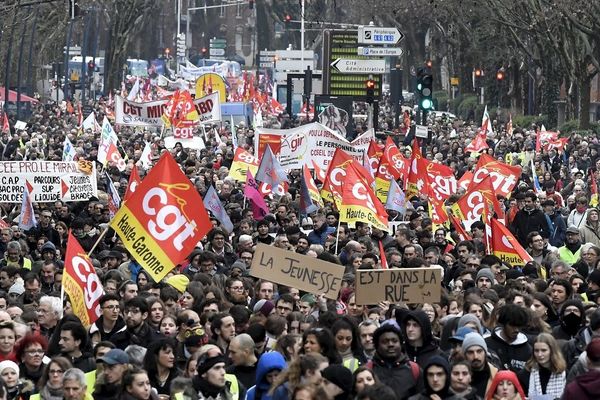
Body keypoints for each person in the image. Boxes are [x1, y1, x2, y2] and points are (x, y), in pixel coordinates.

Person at [369, 323, 422, 399]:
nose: (391, 344)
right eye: (385, 341)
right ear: (377, 346)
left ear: (400, 344)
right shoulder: (369, 370)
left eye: (394, 341)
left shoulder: (414, 369)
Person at [517, 333, 566, 399]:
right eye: (536, 351)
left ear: (552, 351)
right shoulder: (525, 374)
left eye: (543, 350)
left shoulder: (563, 373)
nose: (540, 354)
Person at [485, 304, 532, 372]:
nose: (516, 330)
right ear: (503, 323)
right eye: (512, 325)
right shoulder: (487, 345)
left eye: (519, 326)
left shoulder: (527, 350)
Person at [463, 332, 498, 398]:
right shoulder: (458, 378)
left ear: (485, 353)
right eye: (470, 352)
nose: (475, 356)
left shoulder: (497, 376)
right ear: (465, 355)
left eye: (479, 351)